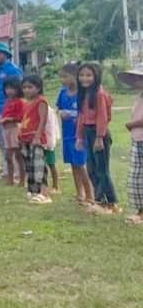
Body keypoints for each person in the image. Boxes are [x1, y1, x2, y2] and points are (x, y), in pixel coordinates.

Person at [76, 63, 118, 214]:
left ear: (96, 77)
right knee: (91, 169)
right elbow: (81, 117)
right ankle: (101, 200)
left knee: (102, 170)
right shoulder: (84, 93)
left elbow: (103, 117)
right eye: (81, 75)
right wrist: (80, 137)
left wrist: (99, 137)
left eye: (88, 75)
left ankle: (109, 202)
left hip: (99, 134)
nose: (84, 78)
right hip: (88, 132)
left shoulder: (99, 94)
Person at [0, 42, 23, 180]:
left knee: (12, 144)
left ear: (6, 55)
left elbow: (19, 91)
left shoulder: (12, 70)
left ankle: (17, 171)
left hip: (8, 111)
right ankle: (8, 169)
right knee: (1, 143)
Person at [57, 63, 91, 205]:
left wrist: (71, 114)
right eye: (61, 77)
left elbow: (86, 113)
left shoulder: (83, 94)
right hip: (67, 134)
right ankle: (80, 193)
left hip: (79, 134)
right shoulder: (63, 92)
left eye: (65, 77)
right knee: (73, 164)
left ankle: (90, 194)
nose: (63, 80)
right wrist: (60, 112)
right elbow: (58, 107)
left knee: (81, 164)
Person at [19, 75, 51, 203]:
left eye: (30, 87)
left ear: (38, 88)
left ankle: (45, 193)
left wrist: (37, 136)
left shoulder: (41, 101)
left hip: (36, 138)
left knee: (39, 166)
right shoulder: (26, 103)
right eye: (25, 87)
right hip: (26, 138)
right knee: (30, 166)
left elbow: (43, 120)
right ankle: (34, 191)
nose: (27, 90)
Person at [118, 66, 143, 225]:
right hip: (138, 138)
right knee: (137, 177)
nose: (137, 81)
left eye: (140, 78)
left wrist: (131, 124)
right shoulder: (140, 96)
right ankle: (140, 211)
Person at [0, 78, 26, 187]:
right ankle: (10, 179)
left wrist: (8, 119)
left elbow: (21, 117)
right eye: (7, 88)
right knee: (9, 156)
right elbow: (5, 113)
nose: (9, 91)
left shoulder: (19, 102)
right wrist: (2, 117)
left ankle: (22, 180)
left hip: (15, 129)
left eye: (12, 89)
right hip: (7, 130)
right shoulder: (8, 101)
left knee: (18, 155)